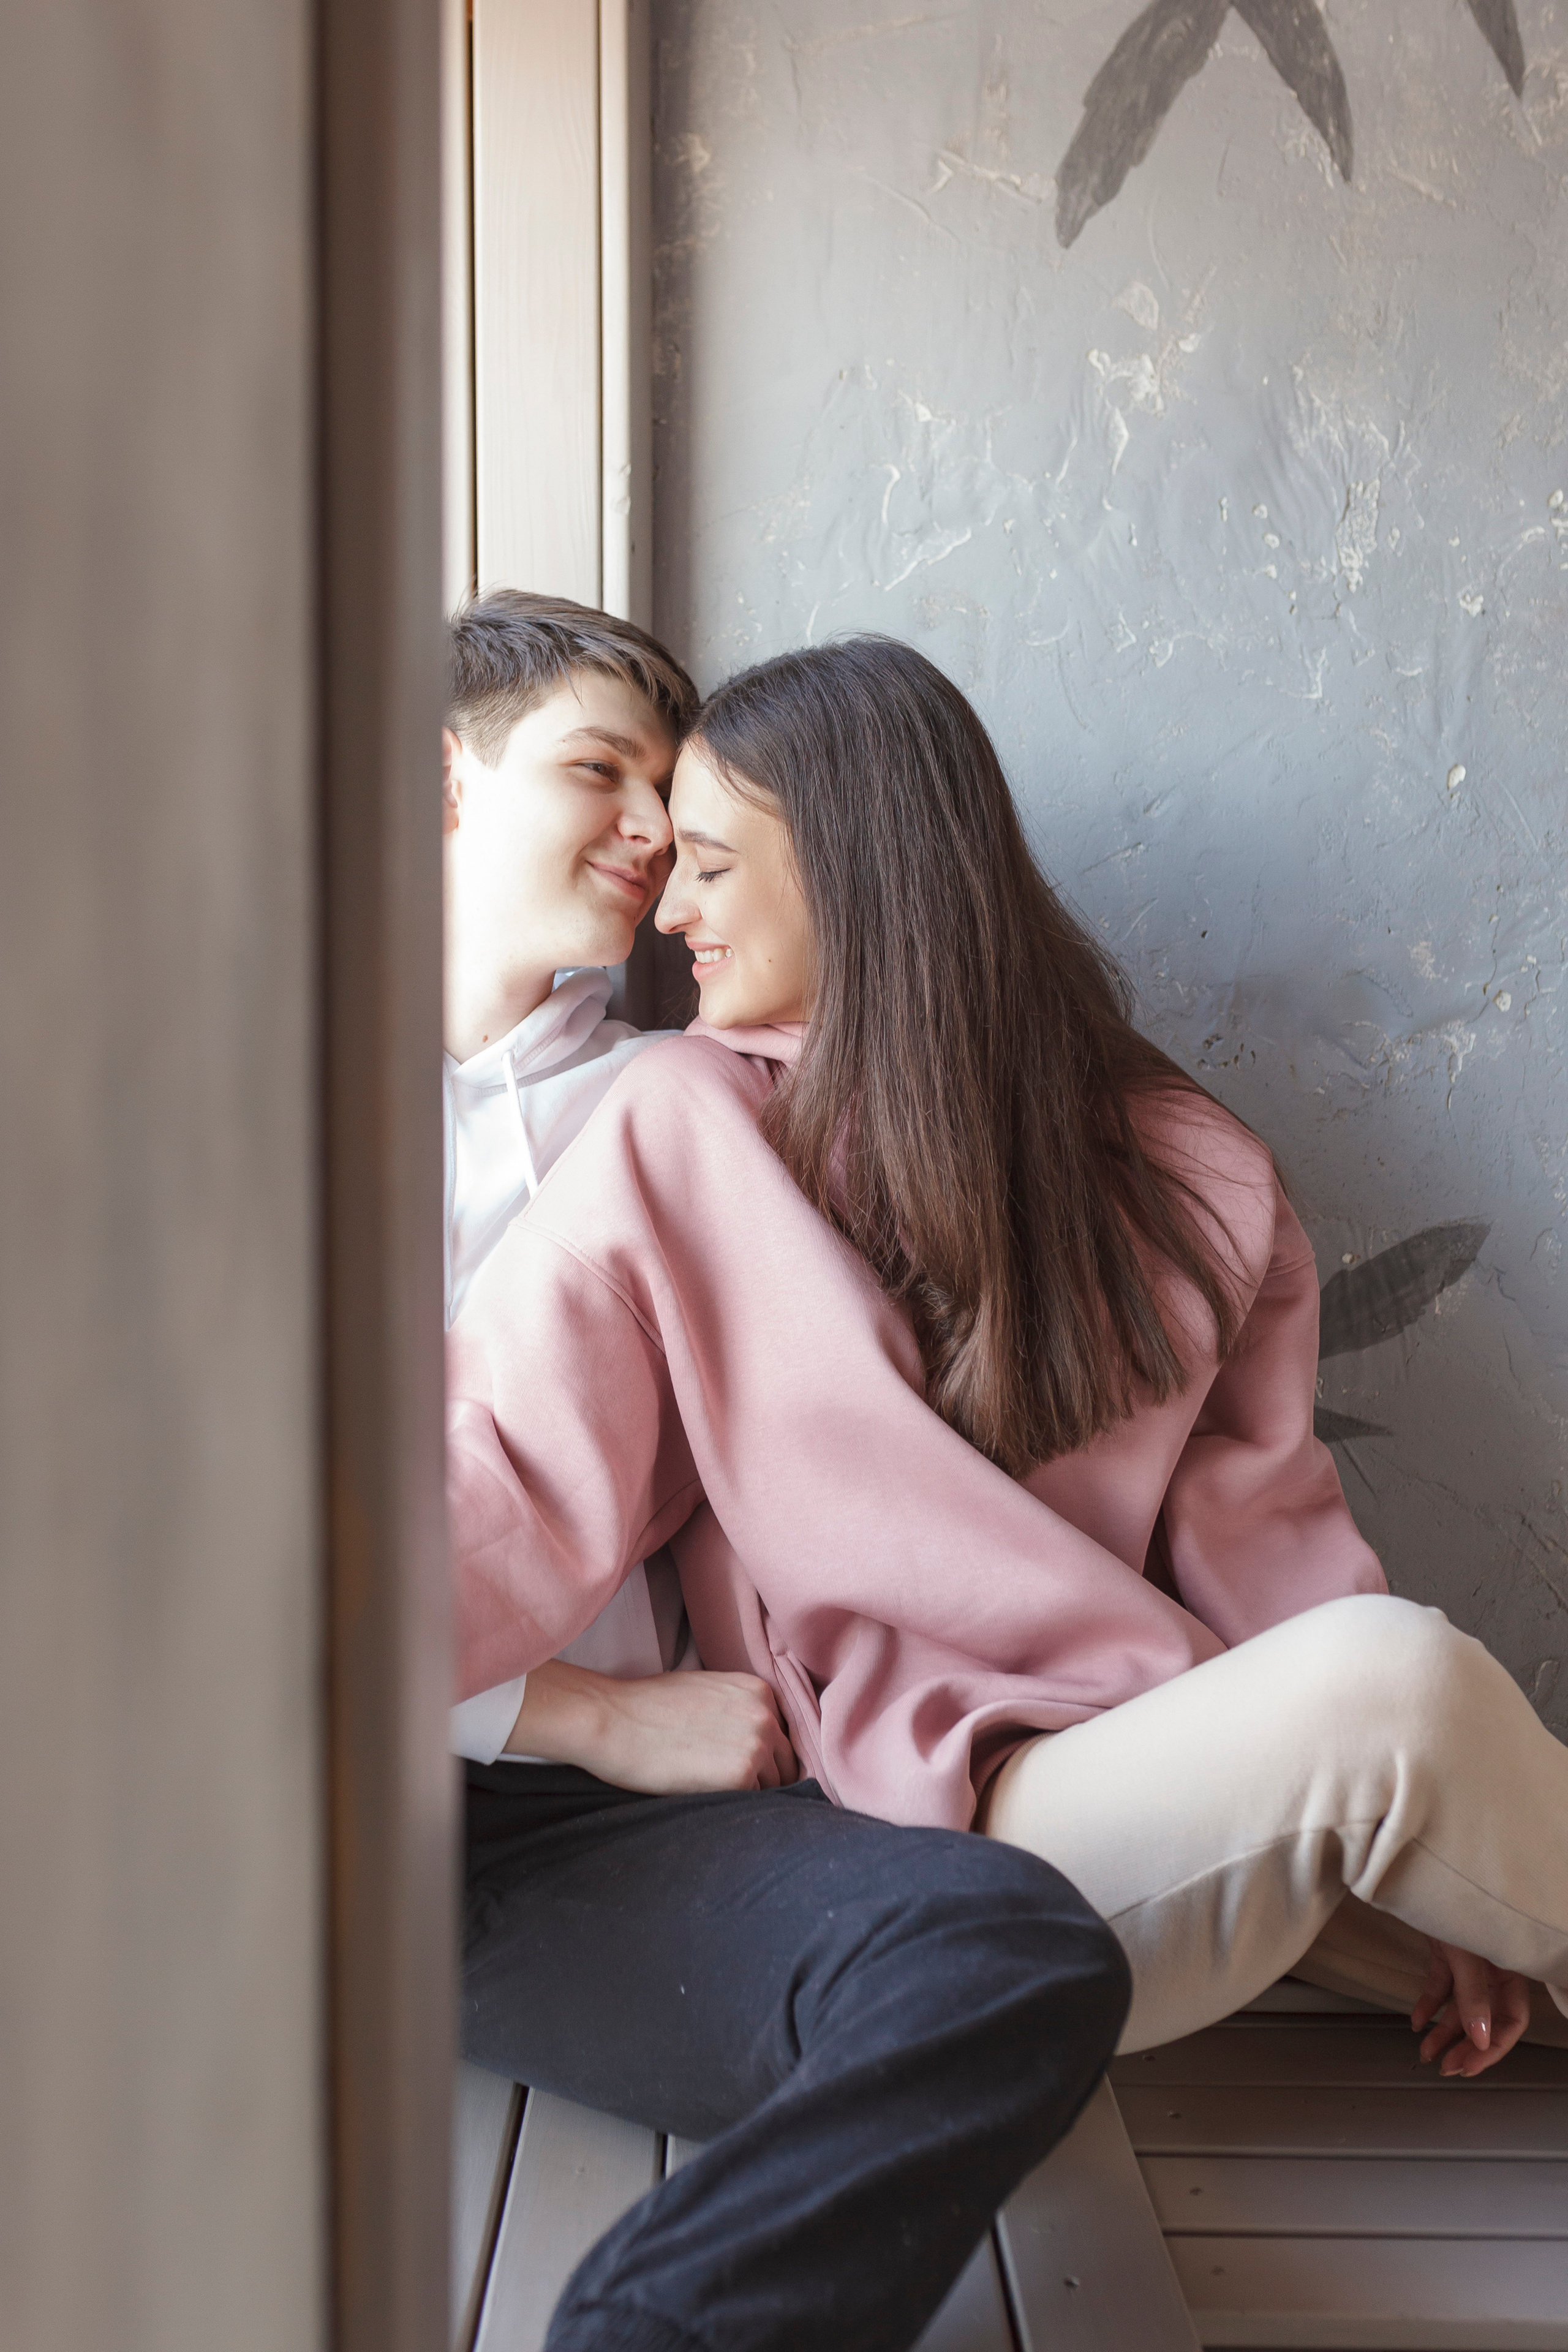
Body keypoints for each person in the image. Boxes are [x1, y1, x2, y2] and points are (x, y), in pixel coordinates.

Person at [449, 633, 1568, 2088]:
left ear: (850, 871)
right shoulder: (679, 1126)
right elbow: (511, 1477)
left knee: (1396, 1701)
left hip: (1174, 1798)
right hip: (923, 1846)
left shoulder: (1185, 1167)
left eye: (713, 864)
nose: (668, 910)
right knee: (1399, 1687)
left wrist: (1454, 1855)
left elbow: (1271, 1545)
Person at [441, 591, 1133, 2352]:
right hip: (324, 1807)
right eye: (599, 771)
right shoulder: (217, 1105)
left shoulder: (714, 1105)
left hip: (616, 1848)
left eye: (675, 801)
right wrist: (574, 1716)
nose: (654, 833)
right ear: (436, 781)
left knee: (1010, 1953)